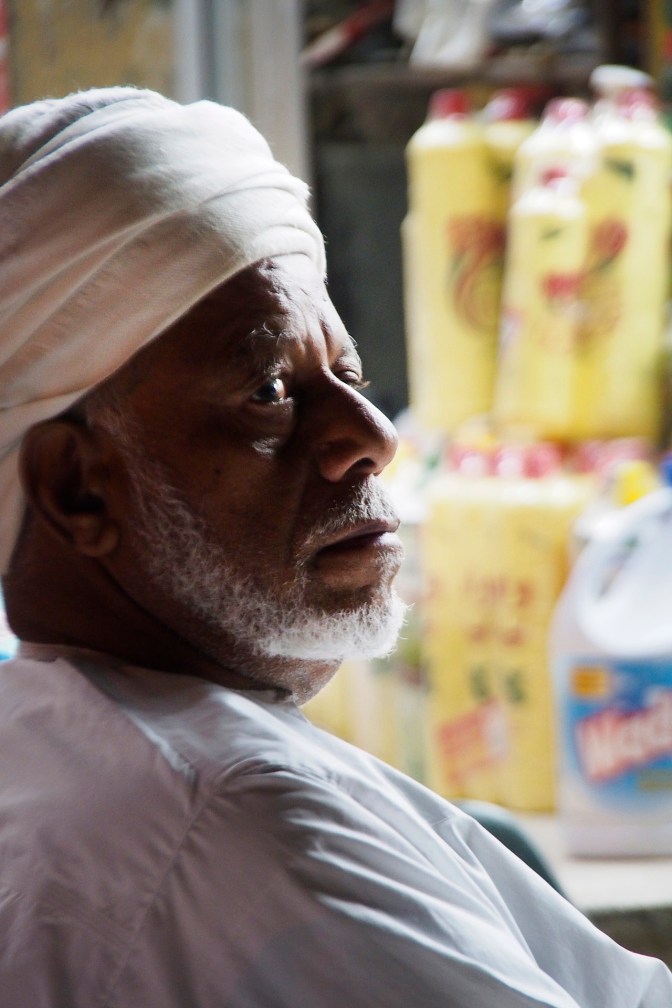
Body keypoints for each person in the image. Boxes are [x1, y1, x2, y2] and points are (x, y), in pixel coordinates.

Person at [0, 87, 669, 1008]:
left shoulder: (57, 742)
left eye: (347, 374)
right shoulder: (249, 819)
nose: (370, 435)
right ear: (79, 488)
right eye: (270, 390)